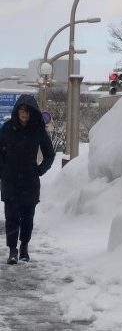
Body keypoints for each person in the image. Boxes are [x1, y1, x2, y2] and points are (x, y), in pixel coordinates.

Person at [0, 94, 54, 264]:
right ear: (17, 111)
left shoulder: (38, 131)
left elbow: (50, 155)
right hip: (10, 181)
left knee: (27, 217)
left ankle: (24, 247)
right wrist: (3, 172)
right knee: (12, 217)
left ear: (32, 113)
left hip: (30, 182)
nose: (24, 114)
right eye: (22, 110)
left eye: (27, 111)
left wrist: (39, 170)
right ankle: (12, 250)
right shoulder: (7, 129)